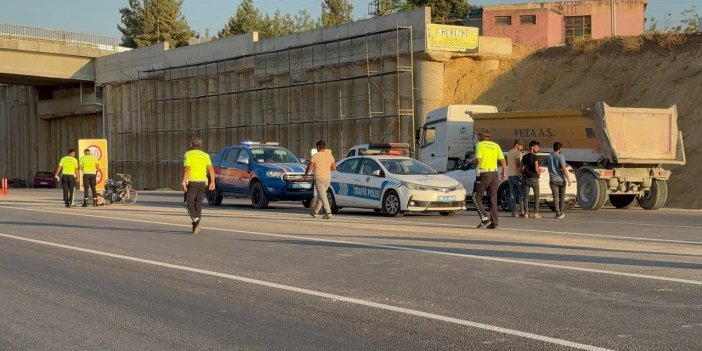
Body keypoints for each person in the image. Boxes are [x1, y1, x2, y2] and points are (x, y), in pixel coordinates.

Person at [472, 129, 507, 229]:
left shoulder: (480, 144)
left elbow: (479, 159)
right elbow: (503, 161)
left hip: (484, 174)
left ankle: (485, 219)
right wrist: (503, 173)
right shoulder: (496, 145)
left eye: (479, 135)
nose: (478, 137)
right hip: (494, 174)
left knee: (476, 197)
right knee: (493, 199)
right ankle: (494, 223)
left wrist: (472, 161)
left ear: (482, 135)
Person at [182, 137, 216, 235]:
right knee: (198, 203)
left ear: (191, 145)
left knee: (187, 202)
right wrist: (212, 182)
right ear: (200, 145)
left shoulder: (188, 154)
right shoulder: (205, 155)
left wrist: (184, 181)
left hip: (192, 182)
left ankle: (196, 219)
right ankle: (195, 225)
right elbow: (211, 170)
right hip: (202, 183)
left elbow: (187, 169)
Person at [304, 140, 336, 219]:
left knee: (323, 196)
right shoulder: (330, 156)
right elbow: (334, 168)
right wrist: (326, 169)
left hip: (319, 178)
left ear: (318, 147)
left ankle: (328, 212)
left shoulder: (315, 155)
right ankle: (316, 212)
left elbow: (310, 167)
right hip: (327, 178)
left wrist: (305, 174)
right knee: (322, 195)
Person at [544, 142, 571, 219]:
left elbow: (541, 164)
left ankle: (557, 212)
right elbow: (564, 168)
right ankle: (561, 212)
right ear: (560, 149)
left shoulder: (549, 157)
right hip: (561, 180)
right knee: (561, 197)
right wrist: (568, 179)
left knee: (555, 197)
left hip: (552, 180)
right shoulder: (560, 156)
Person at [521, 140, 542, 218]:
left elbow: (520, 167)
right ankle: (536, 213)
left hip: (526, 178)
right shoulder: (535, 157)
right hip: (534, 178)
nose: (538, 149)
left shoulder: (524, 156)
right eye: (537, 147)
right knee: (536, 196)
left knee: (526, 196)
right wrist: (539, 174)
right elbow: (536, 168)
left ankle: (526, 213)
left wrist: (523, 173)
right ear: (532, 147)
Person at [506, 139, 525, 218]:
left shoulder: (509, 152)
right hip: (517, 175)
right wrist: (522, 173)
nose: (522, 148)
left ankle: (514, 212)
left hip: (510, 175)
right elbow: (518, 164)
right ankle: (524, 211)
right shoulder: (518, 152)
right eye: (521, 146)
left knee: (512, 194)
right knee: (522, 193)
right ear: (517, 145)